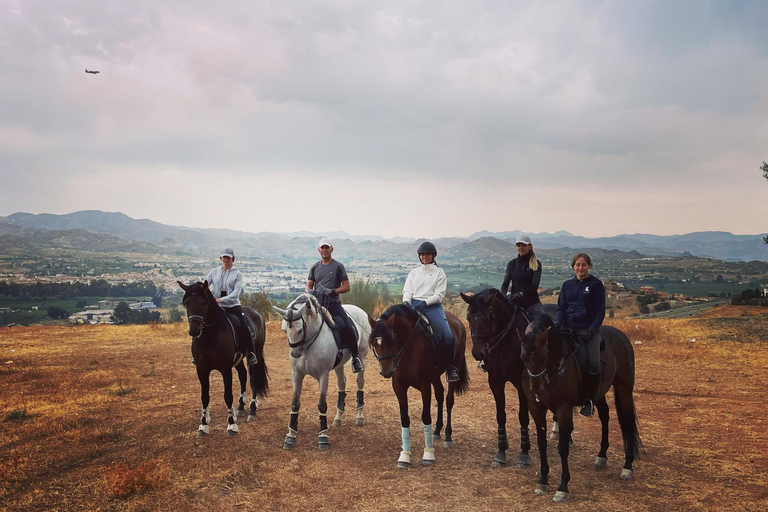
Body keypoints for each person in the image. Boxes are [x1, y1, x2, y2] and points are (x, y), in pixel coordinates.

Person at [554, 252, 606, 417]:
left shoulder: (596, 285)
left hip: (588, 331)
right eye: (577, 265)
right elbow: (561, 308)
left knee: (594, 364)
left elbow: (600, 311)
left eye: (584, 265)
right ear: (573, 267)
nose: (580, 267)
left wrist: (592, 329)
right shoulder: (567, 285)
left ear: (589, 266)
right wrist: (557, 323)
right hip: (568, 329)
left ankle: (590, 400)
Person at [402, 241, 459, 383]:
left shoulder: (439, 273)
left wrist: (425, 302)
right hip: (413, 304)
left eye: (427, 254)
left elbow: (439, 294)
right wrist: (406, 301)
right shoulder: (414, 272)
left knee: (447, 335)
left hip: (432, 307)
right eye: (422, 254)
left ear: (433, 255)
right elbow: (407, 289)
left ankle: (450, 368)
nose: (424, 257)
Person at [307, 238, 363, 373]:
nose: (324, 250)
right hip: (317, 304)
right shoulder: (315, 267)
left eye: (327, 247)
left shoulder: (338, 266)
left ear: (331, 249)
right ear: (319, 250)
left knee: (347, 326)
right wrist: (311, 292)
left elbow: (347, 287)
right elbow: (309, 285)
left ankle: (355, 358)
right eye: (322, 248)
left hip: (333, 304)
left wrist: (333, 291)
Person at [205, 248, 258, 366]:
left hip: (232, 305)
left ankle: (250, 354)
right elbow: (205, 284)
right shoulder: (214, 272)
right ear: (220, 258)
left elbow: (236, 293)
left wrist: (220, 299)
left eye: (228, 257)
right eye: (223, 257)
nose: (225, 259)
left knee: (244, 326)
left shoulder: (238, 274)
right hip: (217, 306)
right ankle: (199, 353)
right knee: (203, 323)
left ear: (232, 259)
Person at [501, 234, 545, 317]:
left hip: (531, 302)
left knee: (543, 319)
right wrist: (504, 296)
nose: (520, 248)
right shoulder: (511, 264)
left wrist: (521, 294)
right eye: (518, 245)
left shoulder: (536, 264)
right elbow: (505, 283)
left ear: (530, 246)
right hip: (514, 301)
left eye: (523, 245)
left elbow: (534, 285)